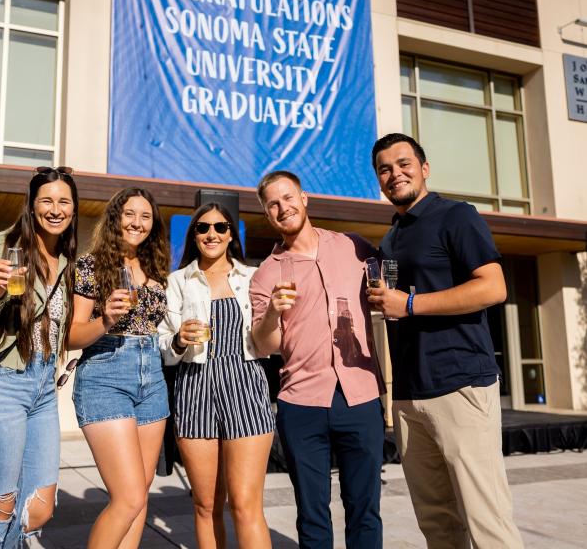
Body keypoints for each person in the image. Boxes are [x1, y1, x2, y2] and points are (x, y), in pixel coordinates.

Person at [368, 132, 524, 548]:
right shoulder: (392, 236)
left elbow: (493, 288)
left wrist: (412, 304)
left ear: (425, 168)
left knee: (485, 521)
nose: (394, 173)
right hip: (408, 395)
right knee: (437, 524)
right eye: (384, 168)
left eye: (403, 164)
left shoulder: (457, 215)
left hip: (460, 385)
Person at [250, 171, 385, 549]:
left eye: (288, 197)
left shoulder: (352, 247)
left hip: (360, 396)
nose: (283, 207)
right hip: (301, 404)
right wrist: (273, 314)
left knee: (365, 509)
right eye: (273, 204)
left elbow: (391, 274)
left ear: (304, 198)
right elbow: (265, 345)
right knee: (312, 514)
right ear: (267, 213)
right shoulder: (265, 275)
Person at [0, 166, 78, 548]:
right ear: (32, 205)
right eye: (47, 201)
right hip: (0, 386)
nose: (56, 209)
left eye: (64, 201)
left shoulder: (67, 262)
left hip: (42, 392)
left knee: (37, 508)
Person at [158, 203, 275, 549]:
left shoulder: (253, 277)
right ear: (193, 235)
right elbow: (164, 347)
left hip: (246, 382)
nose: (212, 234)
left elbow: (266, 340)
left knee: (244, 503)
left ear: (231, 235)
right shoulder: (176, 281)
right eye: (203, 228)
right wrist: (179, 339)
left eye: (221, 227)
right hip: (195, 385)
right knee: (206, 503)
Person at [68, 187, 170, 549]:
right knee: (127, 498)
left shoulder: (157, 267)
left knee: (140, 495)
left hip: (152, 378)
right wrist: (106, 321)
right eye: (129, 214)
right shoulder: (91, 265)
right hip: (106, 374)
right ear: (115, 218)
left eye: (145, 216)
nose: (137, 223)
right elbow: (72, 335)